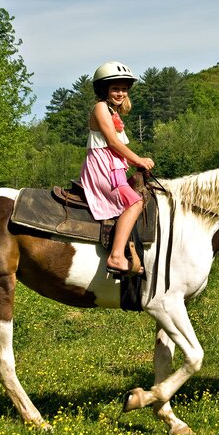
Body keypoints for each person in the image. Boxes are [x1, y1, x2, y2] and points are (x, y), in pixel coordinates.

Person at [79, 61, 155, 276]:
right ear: (104, 90)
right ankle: (116, 256)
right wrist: (138, 159)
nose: (120, 93)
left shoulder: (114, 112)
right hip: (102, 168)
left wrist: (136, 164)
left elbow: (120, 149)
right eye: (115, 88)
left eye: (124, 89)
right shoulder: (100, 108)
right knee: (135, 203)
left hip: (114, 168)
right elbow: (112, 143)